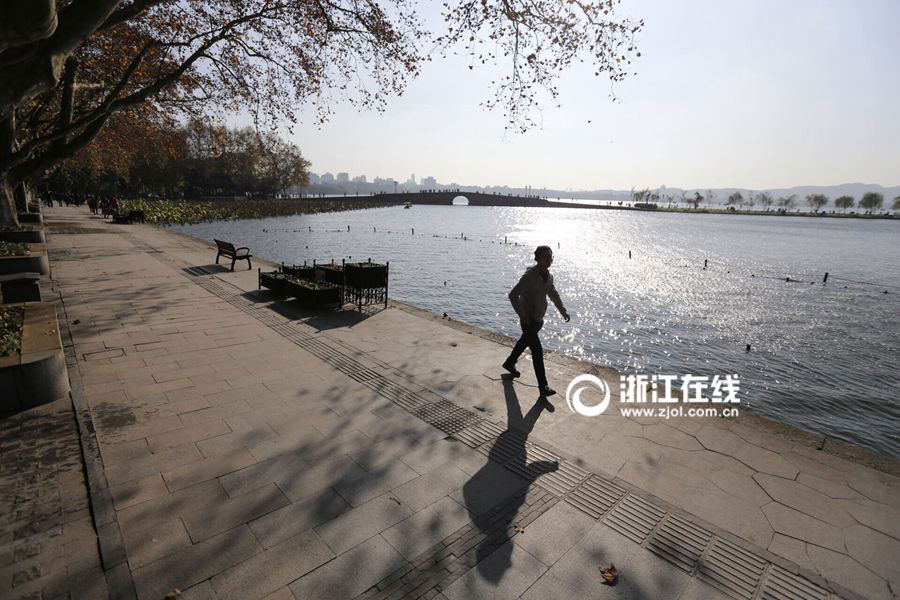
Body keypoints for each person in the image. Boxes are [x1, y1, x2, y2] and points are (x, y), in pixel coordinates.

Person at [503, 245, 570, 405]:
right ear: (538, 258)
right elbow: (513, 295)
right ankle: (543, 386)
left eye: (551, 256)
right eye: (546, 256)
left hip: (539, 321)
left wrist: (562, 310)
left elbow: (553, 293)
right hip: (528, 321)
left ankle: (509, 362)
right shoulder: (529, 276)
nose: (550, 259)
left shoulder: (548, 276)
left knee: (523, 342)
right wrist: (522, 315)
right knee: (537, 351)